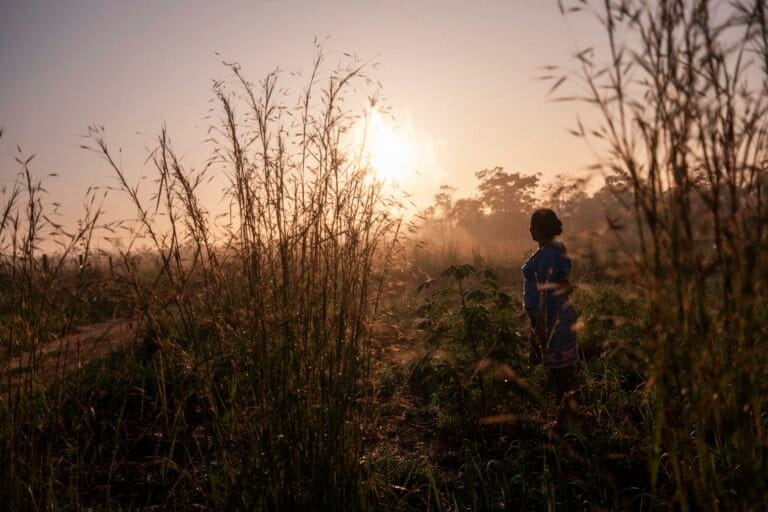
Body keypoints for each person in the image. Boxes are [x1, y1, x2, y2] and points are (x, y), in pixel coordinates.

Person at [521, 208, 579, 404]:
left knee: (560, 371)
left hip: (552, 318)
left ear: (540, 228)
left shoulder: (548, 254)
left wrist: (541, 323)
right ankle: (563, 411)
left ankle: (565, 413)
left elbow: (548, 289)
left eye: (533, 226)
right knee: (557, 369)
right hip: (553, 316)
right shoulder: (551, 250)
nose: (530, 230)